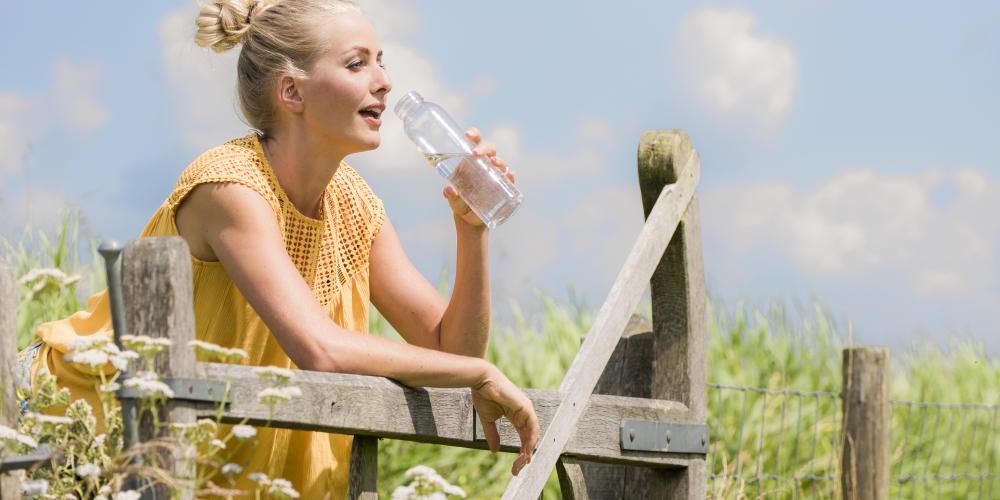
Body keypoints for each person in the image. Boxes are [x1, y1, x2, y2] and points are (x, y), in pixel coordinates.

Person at [19, 0, 539, 496]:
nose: (384, 81)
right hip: (65, 441)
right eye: (357, 64)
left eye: (381, 62)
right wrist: (482, 374)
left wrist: (472, 230)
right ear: (292, 92)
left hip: (195, 459)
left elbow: (452, 354)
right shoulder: (231, 188)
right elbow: (321, 350)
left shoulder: (355, 205)